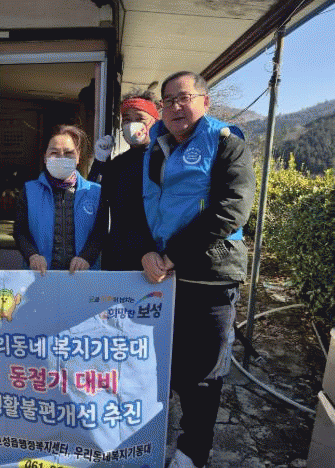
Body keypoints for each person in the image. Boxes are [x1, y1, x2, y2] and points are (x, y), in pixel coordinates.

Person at [140, 71, 255, 468]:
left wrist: (173, 254)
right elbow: (147, 206)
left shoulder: (227, 143)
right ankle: (149, 441)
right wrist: (146, 251)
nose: (175, 107)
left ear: (205, 102)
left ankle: (192, 453)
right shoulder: (157, 146)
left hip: (210, 276)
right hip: (163, 278)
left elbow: (232, 209)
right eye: (168, 100)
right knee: (161, 367)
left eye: (183, 98)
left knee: (203, 374)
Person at [13, 124, 106, 274]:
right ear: (45, 157)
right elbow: (20, 231)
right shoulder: (29, 190)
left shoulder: (95, 192)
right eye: (54, 153)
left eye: (68, 153)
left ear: (78, 156)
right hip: (40, 277)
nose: (61, 158)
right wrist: (33, 256)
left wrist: (86, 258)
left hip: (83, 277)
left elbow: (100, 232)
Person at [88, 90, 160, 271]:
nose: (132, 125)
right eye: (126, 119)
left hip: (153, 257)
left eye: (140, 118)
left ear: (155, 121)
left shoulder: (164, 160)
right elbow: (93, 198)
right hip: (118, 255)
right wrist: (99, 162)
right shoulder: (117, 164)